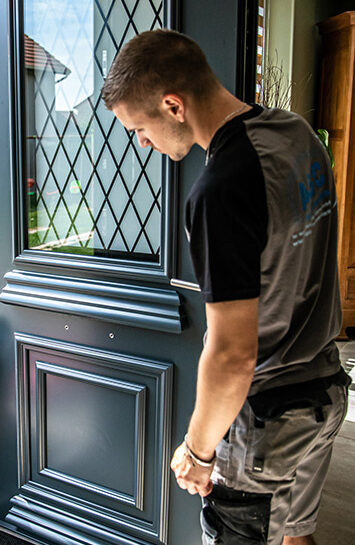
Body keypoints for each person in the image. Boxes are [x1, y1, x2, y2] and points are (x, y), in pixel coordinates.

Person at [103, 29, 350, 545]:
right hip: (324, 390)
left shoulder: (220, 189)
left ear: (173, 105)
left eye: (139, 127)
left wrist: (197, 452)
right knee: (294, 535)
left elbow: (234, 353)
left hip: (267, 418)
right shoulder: (296, 133)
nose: (141, 142)